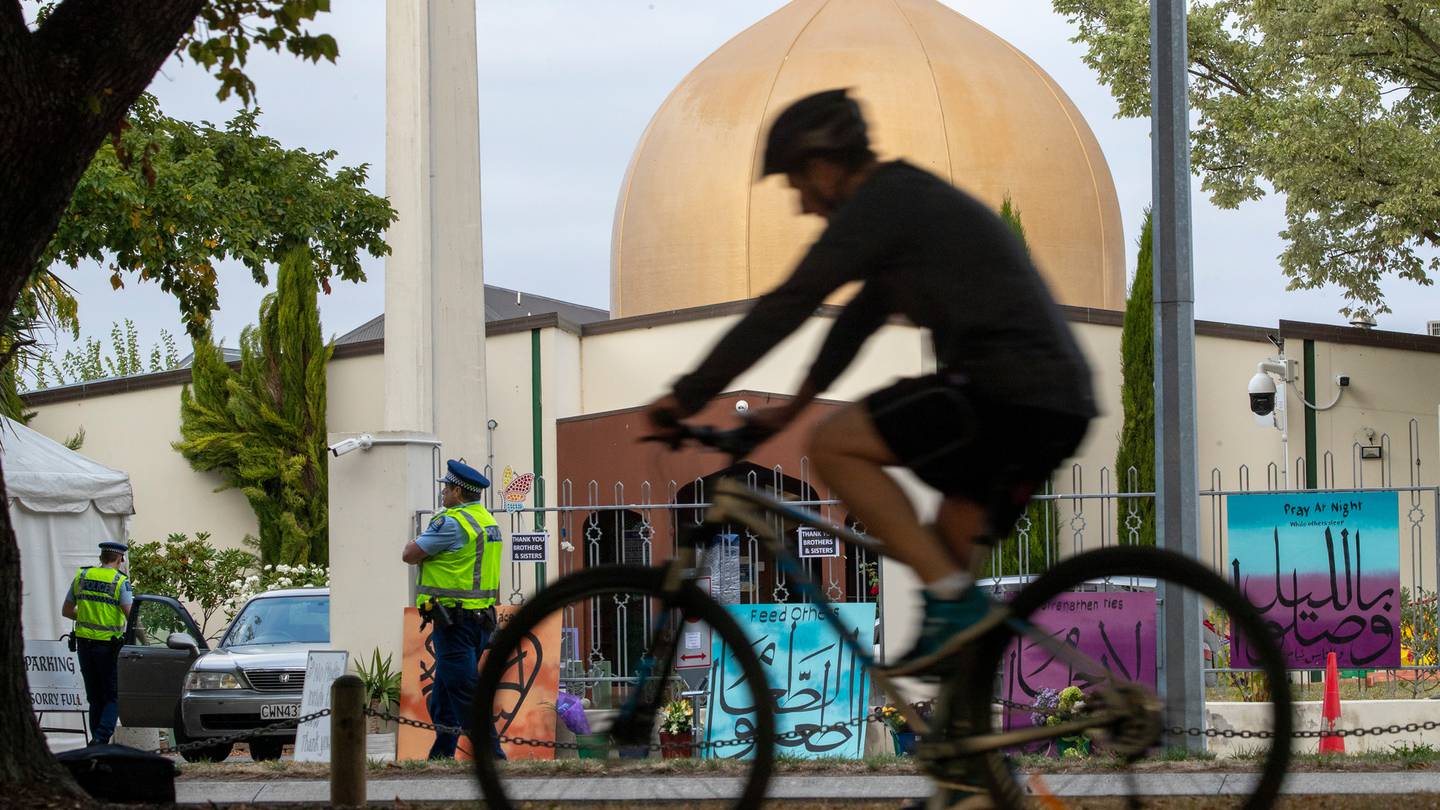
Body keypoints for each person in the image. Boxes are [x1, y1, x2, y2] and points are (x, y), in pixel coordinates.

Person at [647, 88, 1096, 677]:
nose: (803, 206)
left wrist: (684, 395)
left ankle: (956, 612)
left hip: (1004, 392)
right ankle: (967, 748)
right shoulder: (909, 209)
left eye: (797, 185)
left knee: (835, 443)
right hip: (1050, 405)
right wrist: (789, 410)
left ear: (825, 165)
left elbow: (790, 303)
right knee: (945, 562)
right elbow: (855, 323)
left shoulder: (883, 204)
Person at [401, 459, 507, 760]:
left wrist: (417, 541)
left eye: (446, 488)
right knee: (444, 699)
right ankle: (440, 757)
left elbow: (410, 554)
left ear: (458, 491)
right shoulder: (486, 519)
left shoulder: (451, 522)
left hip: (455, 623)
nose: (443, 493)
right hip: (480, 620)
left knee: (464, 692)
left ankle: (494, 759)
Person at [62, 540, 134, 746]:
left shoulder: (82, 576)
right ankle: (101, 738)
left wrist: (85, 614)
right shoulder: (120, 581)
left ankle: (96, 744)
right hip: (108, 646)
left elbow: (66, 611)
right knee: (113, 696)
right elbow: (131, 615)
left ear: (101, 558)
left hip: (84, 645)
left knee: (95, 697)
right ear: (120, 559)